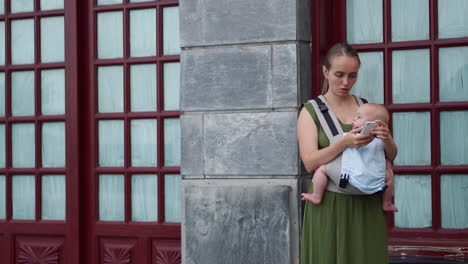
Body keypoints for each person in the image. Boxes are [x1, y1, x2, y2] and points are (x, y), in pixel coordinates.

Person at [298, 43, 398, 264]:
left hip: (367, 204)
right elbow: (309, 162)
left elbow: (389, 156)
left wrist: (386, 137)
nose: (346, 83)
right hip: (329, 206)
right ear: (325, 72)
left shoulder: (367, 108)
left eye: (352, 76)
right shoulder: (310, 111)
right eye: (339, 75)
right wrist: (345, 143)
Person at [301, 103, 398, 212]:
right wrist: (387, 139)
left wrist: (345, 142)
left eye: (359, 117)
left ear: (372, 124)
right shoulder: (380, 140)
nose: (354, 118)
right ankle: (387, 202)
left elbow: (392, 154)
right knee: (389, 175)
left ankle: (316, 195)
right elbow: (392, 155)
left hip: (350, 178)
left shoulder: (350, 136)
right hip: (375, 181)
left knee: (321, 169)